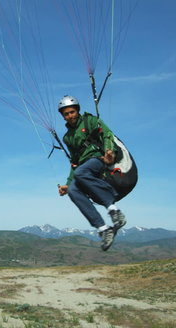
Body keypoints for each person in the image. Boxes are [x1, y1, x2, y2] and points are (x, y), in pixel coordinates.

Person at [56, 95, 126, 251]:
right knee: (74, 191)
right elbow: (74, 162)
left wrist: (108, 151)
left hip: (98, 159)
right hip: (84, 168)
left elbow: (107, 133)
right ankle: (103, 229)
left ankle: (114, 211)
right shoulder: (68, 138)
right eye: (66, 114)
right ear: (63, 116)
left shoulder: (90, 121)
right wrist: (67, 185)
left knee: (81, 172)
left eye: (72, 112)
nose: (70, 116)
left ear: (77, 111)